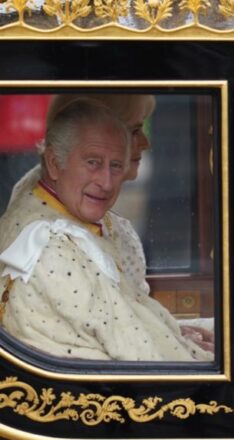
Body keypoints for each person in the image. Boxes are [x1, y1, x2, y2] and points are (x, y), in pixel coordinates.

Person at [0, 99, 212, 361]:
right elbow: (143, 359)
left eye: (115, 166)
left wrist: (179, 336)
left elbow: (128, 319)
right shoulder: (54, 250)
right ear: (54, 163)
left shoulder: (55, 202)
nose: (107, 182)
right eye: (93, 162)